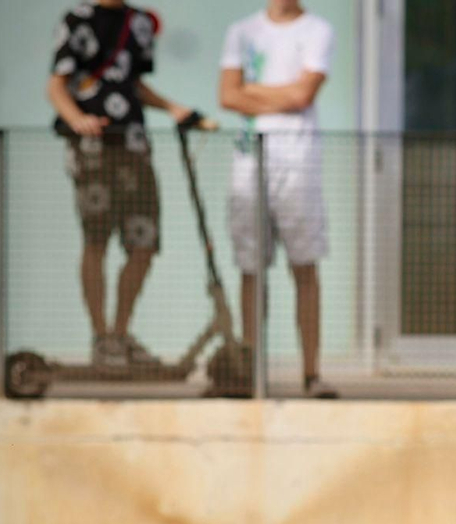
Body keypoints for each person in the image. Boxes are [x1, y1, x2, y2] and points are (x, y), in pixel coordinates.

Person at [47, 0, 198, 367]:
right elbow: (57, 85)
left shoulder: (140, 22)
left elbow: (133, 83)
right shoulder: (77, 19)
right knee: (96, 240)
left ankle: (120, 332)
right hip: (93, 152)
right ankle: (101, 337)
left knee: (143, 243)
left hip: (134, 147)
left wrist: (174, 108)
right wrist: (76, 119)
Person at [220, 0, 337, 399]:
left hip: (298, 161)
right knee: (251, 269)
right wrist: (280, 94)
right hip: (249, 160)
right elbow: (227, 95)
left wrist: (250, 89)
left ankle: (311, 373)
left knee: (304, 266)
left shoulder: (317, 30)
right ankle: (252, 372)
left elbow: (303, 95)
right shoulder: (241, 30)